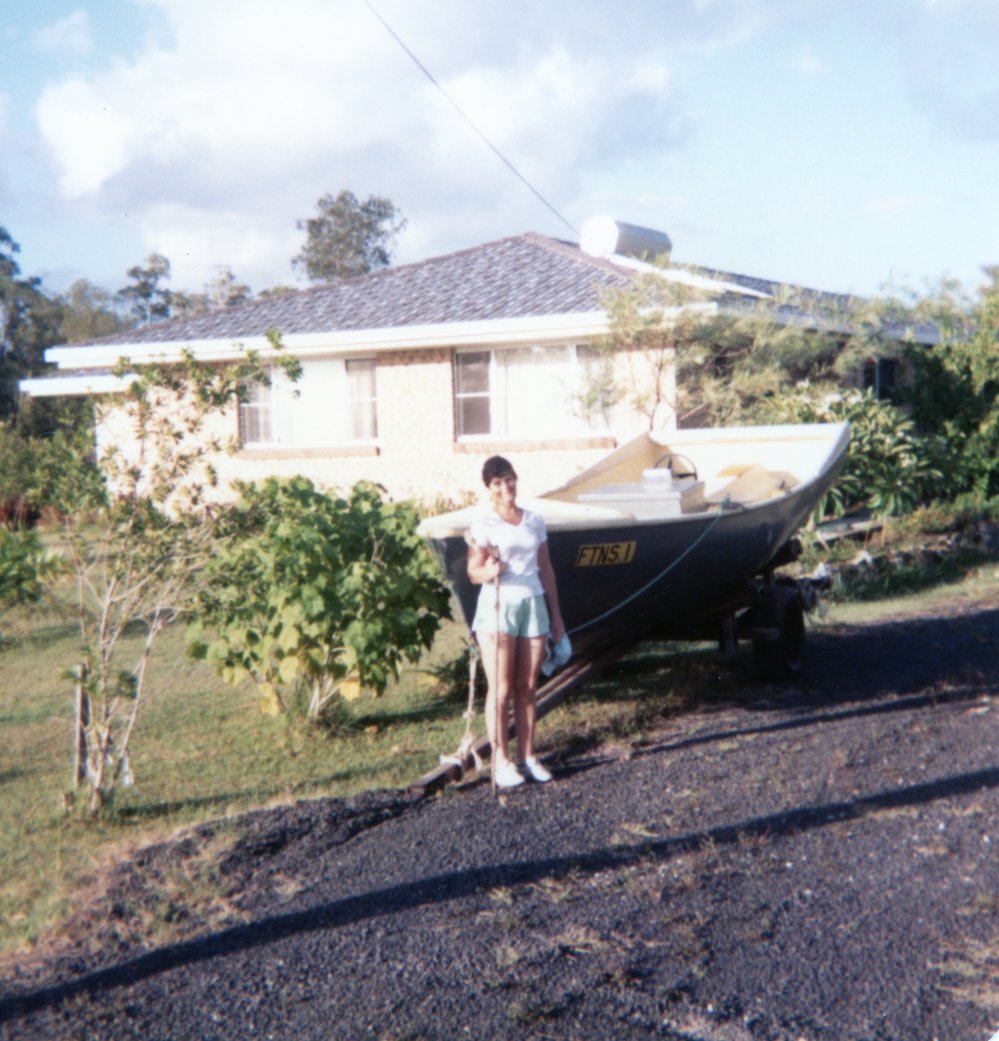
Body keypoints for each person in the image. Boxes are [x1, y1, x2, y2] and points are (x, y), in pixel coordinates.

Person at [467, 455, 565, 789]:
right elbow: (473, 572)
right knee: (502, 688)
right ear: (489, 488)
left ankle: (528, 755)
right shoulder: (484, 524)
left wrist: (556, 615)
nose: (505, 486)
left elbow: (546, 568)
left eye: (508, 479)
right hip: (498, 609)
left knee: (527, 687)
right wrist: (489, 571)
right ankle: (500, 760)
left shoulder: (534, 520)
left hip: (533, 604)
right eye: (497, 482)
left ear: (515, 479)